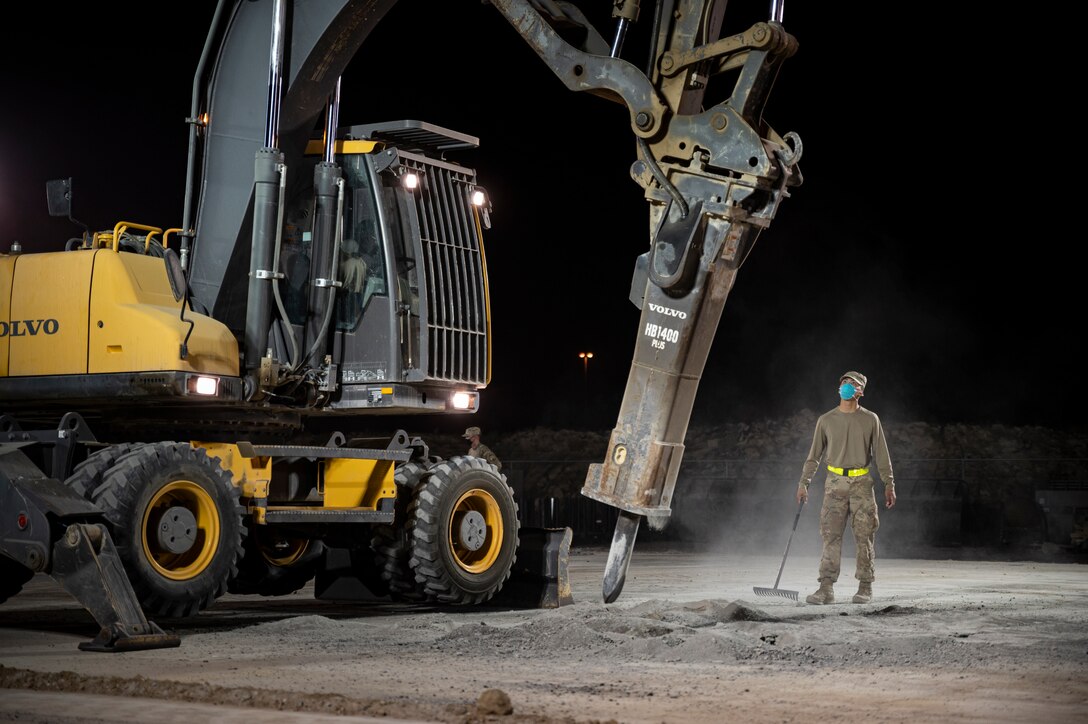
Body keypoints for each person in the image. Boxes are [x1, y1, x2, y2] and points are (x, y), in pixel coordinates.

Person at [796, 371, 896, 605]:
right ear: (838, 388)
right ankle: (826, 588)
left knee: (864, 536)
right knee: (830, 536)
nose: (847, 387)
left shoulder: (871, 419)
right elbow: (814, 457)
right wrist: (803, 483)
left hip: (862, 483)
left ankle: (865, 586)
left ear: (861, 391)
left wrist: (889, 483)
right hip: (834, 484)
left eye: (853, 384)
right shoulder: (826, 419)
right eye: (844, 383)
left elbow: (882, 455)